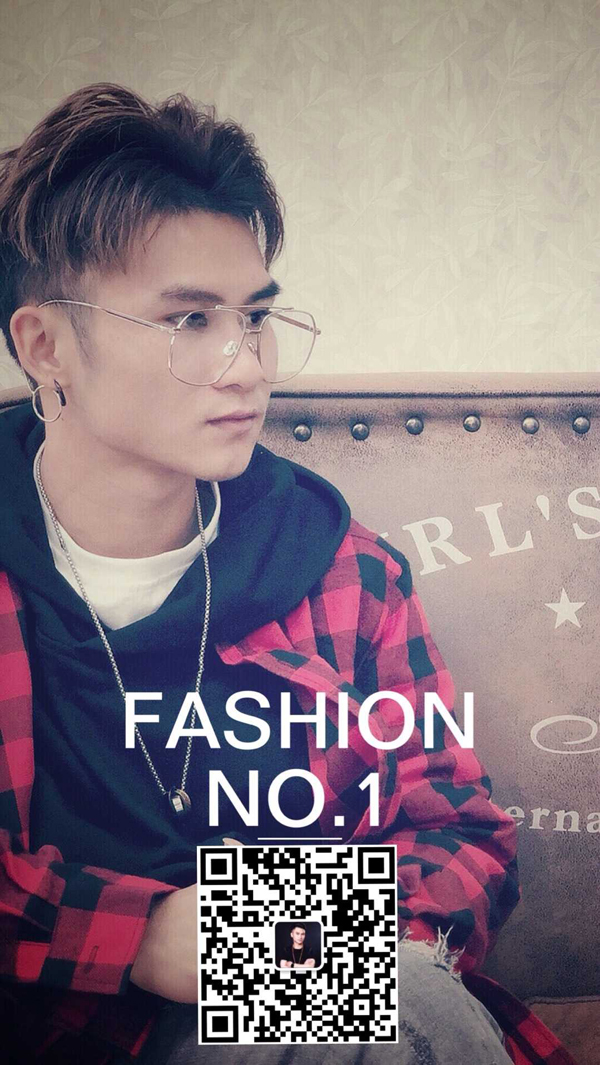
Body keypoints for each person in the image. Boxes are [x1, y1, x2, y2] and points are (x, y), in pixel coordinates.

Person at [0, 83, 578, 1065]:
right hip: (54, 1023)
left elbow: (463, 840)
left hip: (294, 1017)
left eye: (255, 316)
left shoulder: (347, 571)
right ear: (45, 345)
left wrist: (258, 944)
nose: (247, 365)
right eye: (190, 320)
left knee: (405, 1009)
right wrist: (141, 937)